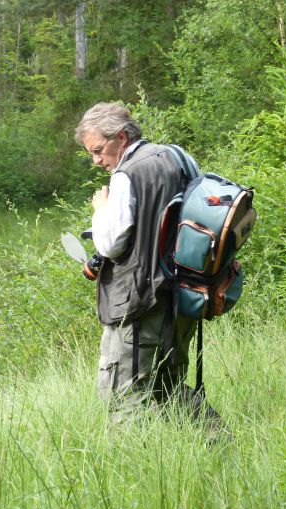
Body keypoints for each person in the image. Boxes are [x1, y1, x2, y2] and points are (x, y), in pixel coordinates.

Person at [75, 102, 218, 424]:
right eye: (91, 154)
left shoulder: (129, 173)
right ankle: (221, 448)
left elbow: (111, 244)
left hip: (140, 305)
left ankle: (130, 471)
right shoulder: (178, 157)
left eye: (99, 150)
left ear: (121, 137)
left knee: (120, 396)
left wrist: (101, 209)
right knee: (167, 389)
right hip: (182, 300)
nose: (97, 161)